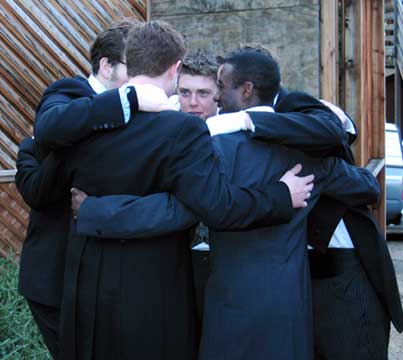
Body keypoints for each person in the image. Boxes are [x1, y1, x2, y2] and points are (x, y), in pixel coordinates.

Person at [70, 47, 380, 360]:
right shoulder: (308, 153)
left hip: (230, 305)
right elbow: (365, 187)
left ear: (246, 91)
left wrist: (94, 210)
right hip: (290, 307)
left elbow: (170, 212)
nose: (217, 96)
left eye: (221, 87)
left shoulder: (212, 150)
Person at [39, 21, 316, 360]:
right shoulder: (182, 130)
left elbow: (43, 159)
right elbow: (216, 207)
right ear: (174, 69)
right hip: (154, 288)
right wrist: (280, 196)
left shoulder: (82, 119)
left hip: (85, 281)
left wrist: (95, 209)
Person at [15, 19, 171, 358]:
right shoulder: (69, 92)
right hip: (58, 277)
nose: (143, 78)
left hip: (112, 280)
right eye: (135, 68)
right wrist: (129, 98)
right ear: (106, 65)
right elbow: (53, 126)